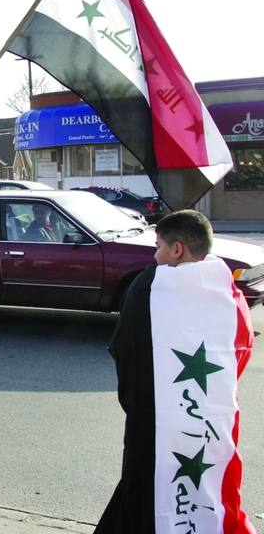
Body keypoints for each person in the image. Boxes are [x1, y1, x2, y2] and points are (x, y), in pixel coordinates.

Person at [95, 210, 255, 533]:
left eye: (158, 246)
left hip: (156, 428)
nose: (155, 255)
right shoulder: (230, 295)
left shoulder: (147, 288)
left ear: (177, 249)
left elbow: (126, 351)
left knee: (149, 496)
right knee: (204, 491)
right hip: (208, 423)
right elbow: (239, 352)